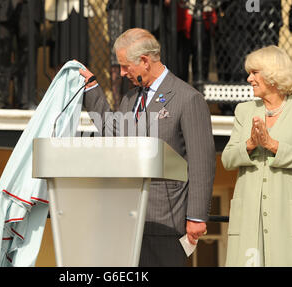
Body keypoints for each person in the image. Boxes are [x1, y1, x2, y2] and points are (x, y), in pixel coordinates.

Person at [79, 28, 215, 267]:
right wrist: (91, 88)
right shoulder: (130, 98)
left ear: (144, 61)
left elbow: (201, 161)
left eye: (125, 66)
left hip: (166, 220)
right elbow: (113, 134)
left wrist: (197, 216)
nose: (121, 73)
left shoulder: (188, 98)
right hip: (129, 218)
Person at [221, 45, 292, 267]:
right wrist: (251, 144)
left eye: (255, 73)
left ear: (273, 75)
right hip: (248, 217)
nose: (249, 79)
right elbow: (227, 159)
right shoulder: (244, 111)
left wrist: (271, 144)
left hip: (288, 219)